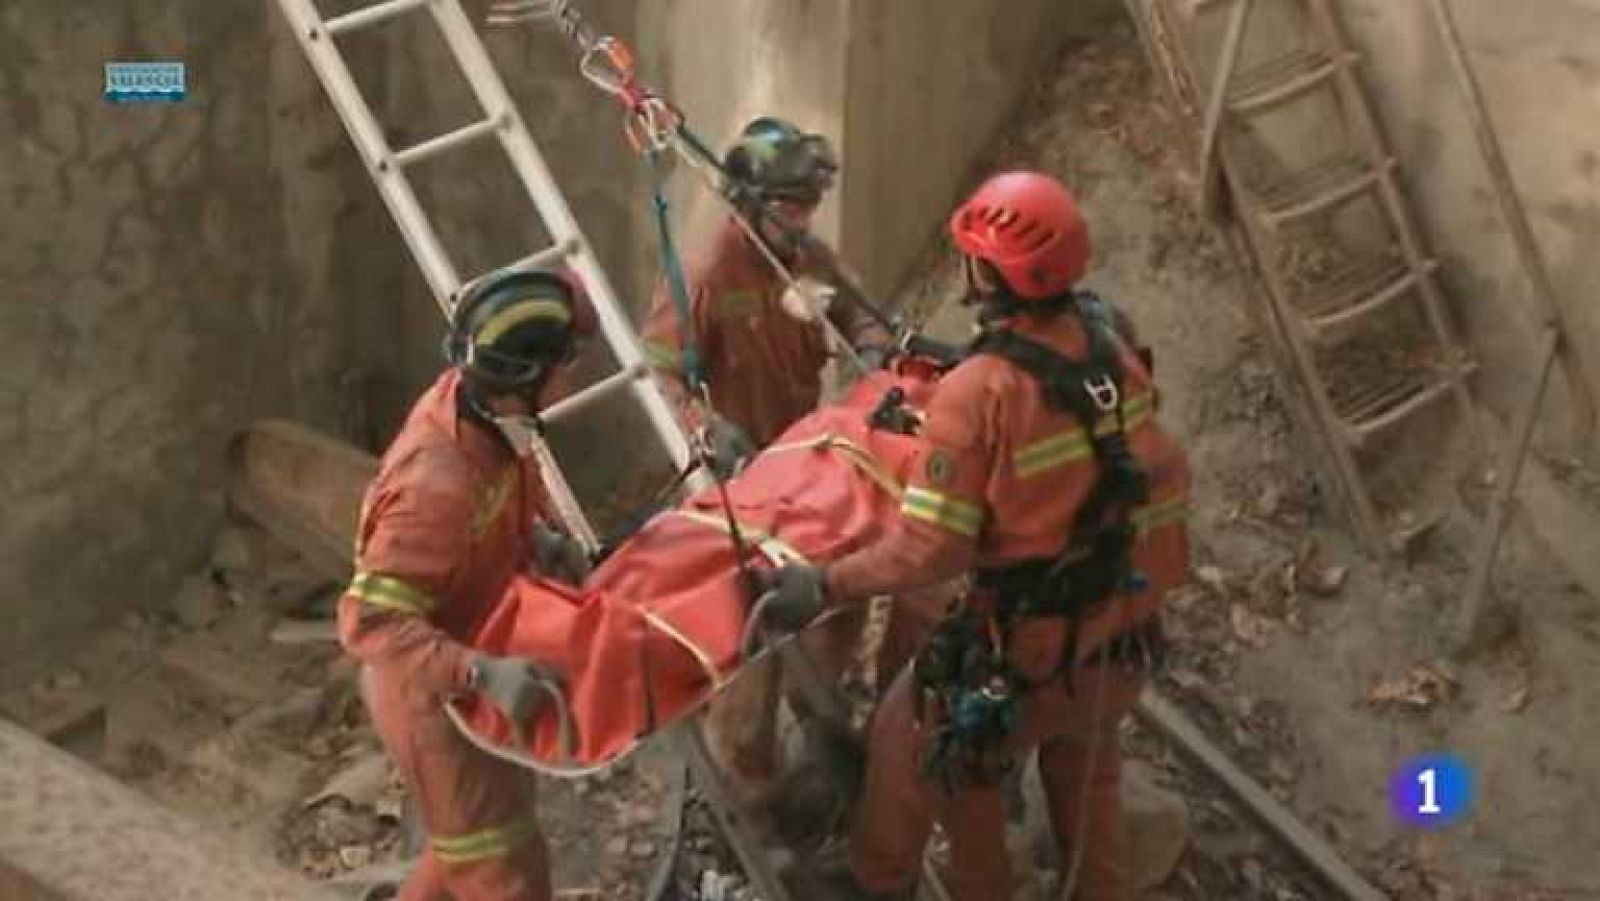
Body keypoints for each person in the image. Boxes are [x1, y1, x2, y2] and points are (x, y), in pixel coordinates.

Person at [756, 171, 1193, 900]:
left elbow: (931, 550)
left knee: (930, 757)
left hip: (1030, 644)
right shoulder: (1105, 347)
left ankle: (876, 881)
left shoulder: (978, 394)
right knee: (1087, 773)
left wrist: (822, 585)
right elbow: (1078, 446)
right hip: (1119, 628)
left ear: (988, 270)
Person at [640, 115, 893, 824]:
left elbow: (863, 312)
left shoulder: (809, 259)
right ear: (748, 204)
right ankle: (749, 789)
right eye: (789, 206)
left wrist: (871, 348)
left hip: (805, 466)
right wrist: (704, 426)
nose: (803, 219)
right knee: (750, 631)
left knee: (838, 596)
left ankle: (820, 716)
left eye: (808, 205)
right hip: (735, 483)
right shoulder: (705, 274)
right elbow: (657, 376)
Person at [338, 267, 596, 901]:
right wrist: (481, 673)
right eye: (567, 363)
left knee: (466, 843)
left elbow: (504, 495)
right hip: (433, 697)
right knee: (501, 869)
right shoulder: (435, 485)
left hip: (467, 661)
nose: (577, 375)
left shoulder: (488, 413)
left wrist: (537, 540)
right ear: (525, 379)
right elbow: (369, 622)